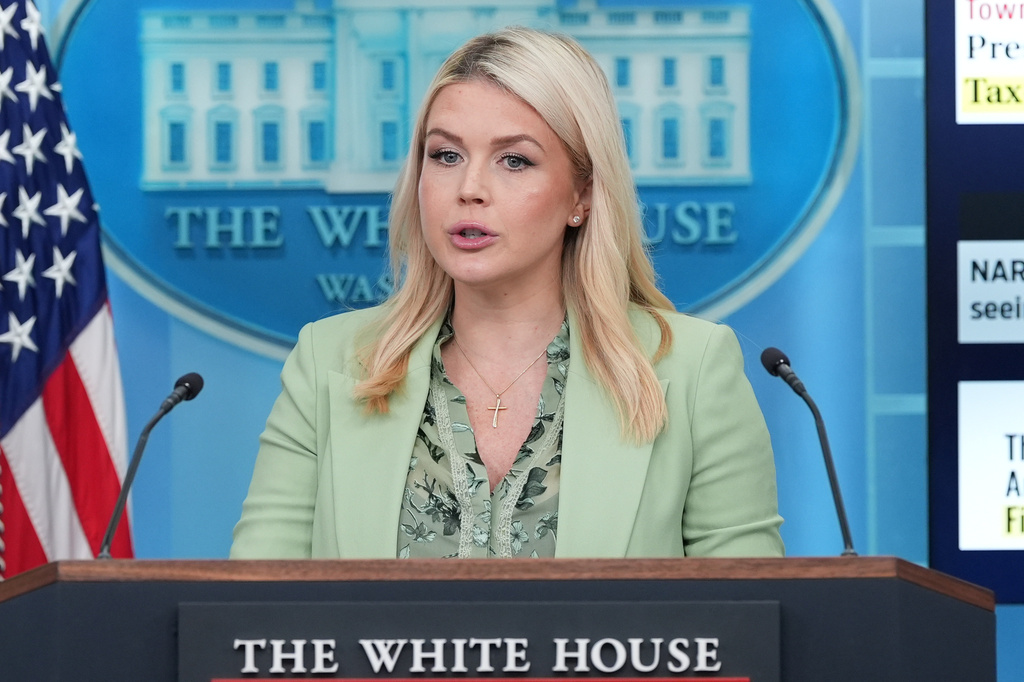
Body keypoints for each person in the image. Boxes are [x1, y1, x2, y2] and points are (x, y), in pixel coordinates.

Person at [230, 26, 784, 560]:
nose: (469, 189)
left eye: (514, 160)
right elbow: (250, 615)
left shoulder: (692, 371)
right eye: (446, 155)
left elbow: (749, 622)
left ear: (582, 194)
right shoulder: (328, 362)